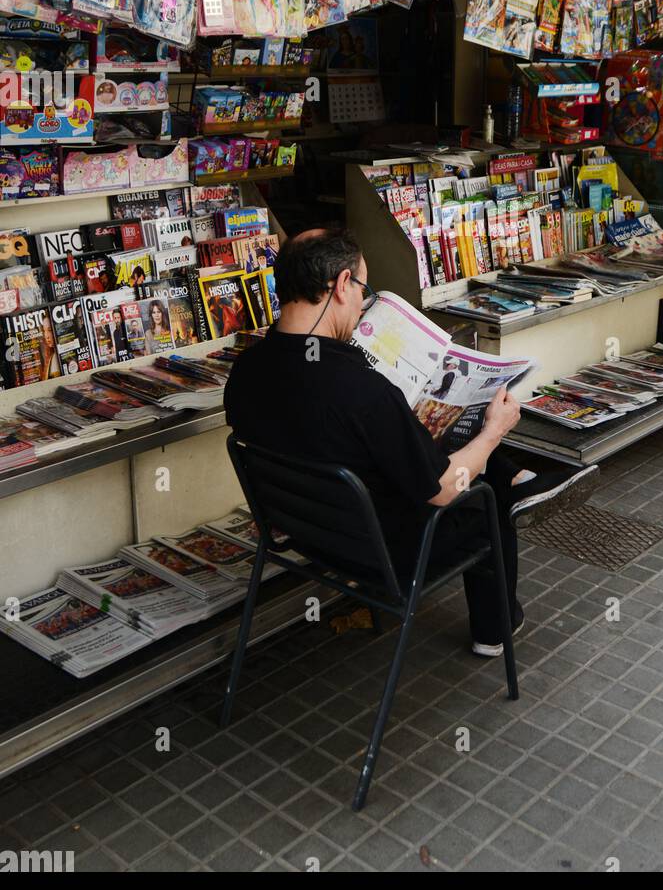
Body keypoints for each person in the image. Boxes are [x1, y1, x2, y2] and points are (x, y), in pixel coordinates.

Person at [224, 229, 600, 657]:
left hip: (306, 535)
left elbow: (318, 425)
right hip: (385, 550)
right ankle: (496, 628)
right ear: (342, 284)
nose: (364, 304)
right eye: (364, 289)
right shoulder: (360, 390)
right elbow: (442, 491)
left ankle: (521, 479)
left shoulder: (246, 371)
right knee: (482, 497)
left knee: (429, 433)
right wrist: (496, 431)